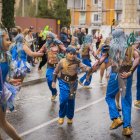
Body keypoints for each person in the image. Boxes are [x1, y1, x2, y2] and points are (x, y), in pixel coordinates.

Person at [88, 29, 140, 136]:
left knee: (109, 97)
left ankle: (116, 118)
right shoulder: (129, 47)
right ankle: (127, 128)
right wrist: (130, 72)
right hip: (126, 76)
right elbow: (138, 57)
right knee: (126, 100)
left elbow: (101, 59)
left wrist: (95, 63)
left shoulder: (110, 47)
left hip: (116, 75)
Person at [52, 47, 91, 125]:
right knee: (63, 99)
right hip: (63, 82)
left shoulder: (77, 61)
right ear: (66, 53)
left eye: (74, 54)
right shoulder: (62, 62)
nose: (72, 55)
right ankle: (61, 116)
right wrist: (53, 81)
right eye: (70, 54)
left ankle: (70, 117)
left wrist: (89, 69)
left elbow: (84, 67)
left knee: (71, 100)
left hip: (73, 84)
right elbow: (55, 72)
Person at [0, 28, 22, 140]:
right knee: (2, 123)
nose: (10, 42)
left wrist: (8, 80)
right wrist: (9, 80)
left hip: (1, 92)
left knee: (2, 123)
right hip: (2, 91)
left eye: (10, 39)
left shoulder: (5, 56)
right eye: (7, 39)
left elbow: (3, 75)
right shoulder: (4, 56)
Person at [38, 32, 66, 101]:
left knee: (62, 83)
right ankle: (54, 92)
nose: (48, 39)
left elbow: (64, 49)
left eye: (49, 37)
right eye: (47, 37)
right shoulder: (45, 45)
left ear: (52, 37)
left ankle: (63, 96)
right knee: (49, 80)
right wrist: (35, 54)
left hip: (59, 67)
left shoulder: (57, 43)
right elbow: (41, 51)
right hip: (50, 66)